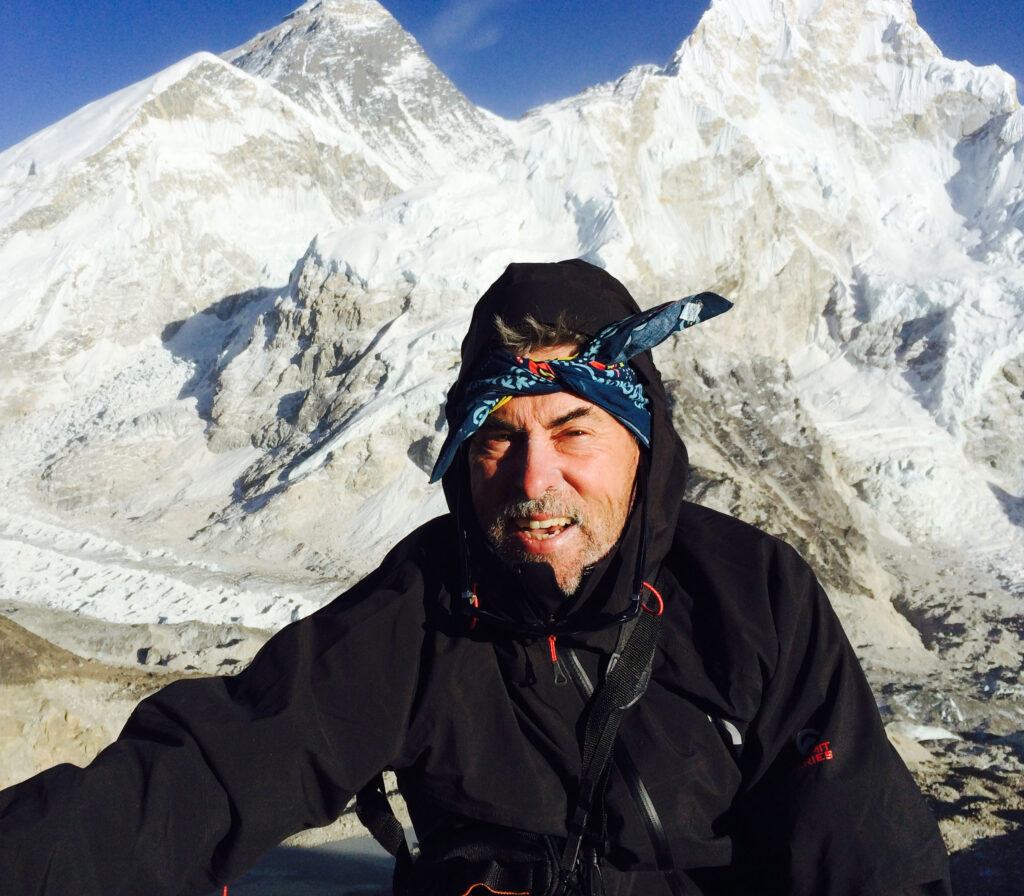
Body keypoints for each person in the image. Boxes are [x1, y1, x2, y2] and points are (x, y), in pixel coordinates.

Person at [0, 260, 950, 895]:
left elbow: (864, 846)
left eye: (574, 431)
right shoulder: (419, 613)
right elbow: (207, 774)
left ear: (642, 443)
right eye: (500, 436)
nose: (534, 480)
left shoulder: (751, 594)